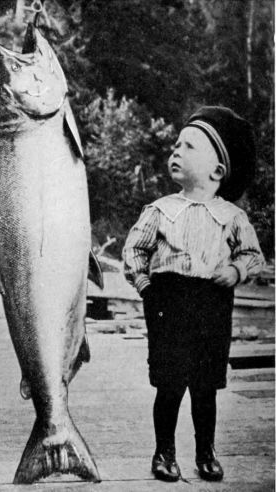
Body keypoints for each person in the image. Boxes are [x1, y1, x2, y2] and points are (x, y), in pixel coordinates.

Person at [123, 106, 265, 483]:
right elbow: (134, 250)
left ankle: (206, 452)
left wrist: (235, 270)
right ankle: (164, 452)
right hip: (167, 302)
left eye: (188, 146)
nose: (175, 151)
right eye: (175, 145)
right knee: (169, 384)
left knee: (206, 387)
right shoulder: (160, 210)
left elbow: (253, 255)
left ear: (217, 171)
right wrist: (143, 285)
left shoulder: (232, 216)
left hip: (212, 304)